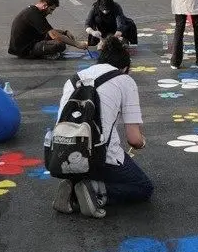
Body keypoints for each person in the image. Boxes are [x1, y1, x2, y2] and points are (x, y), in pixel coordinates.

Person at [52, 36, 152, 216]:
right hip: (98, 157)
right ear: (125, 68)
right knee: (142, 187)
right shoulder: (124, 80)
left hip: (62, 155)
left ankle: (75, 184)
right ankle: (95, 191)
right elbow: (134, 139)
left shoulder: (73, 79)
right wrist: (142, 142)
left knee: (98, 155)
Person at [8, 0, 88, 59]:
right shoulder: (35, 15)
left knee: (60, 38)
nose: (51, 13)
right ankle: (41, 54)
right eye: (51, 9)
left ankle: (43, 51)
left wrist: (65, 32)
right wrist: (77, 44)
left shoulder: (34, 11)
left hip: (29, 42)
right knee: (60, 45)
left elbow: (48, 30)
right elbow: (54, 35)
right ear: (45, 6)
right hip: (25, 49)